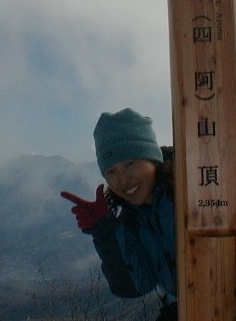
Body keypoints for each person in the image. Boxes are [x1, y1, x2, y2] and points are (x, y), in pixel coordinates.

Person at [60, 108, 177, 321]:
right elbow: (135, 287)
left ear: (152, 157)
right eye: (111, 172)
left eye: (129, 164)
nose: (122, 180)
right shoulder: (132, 219)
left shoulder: (188, 192)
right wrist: (105, 233)